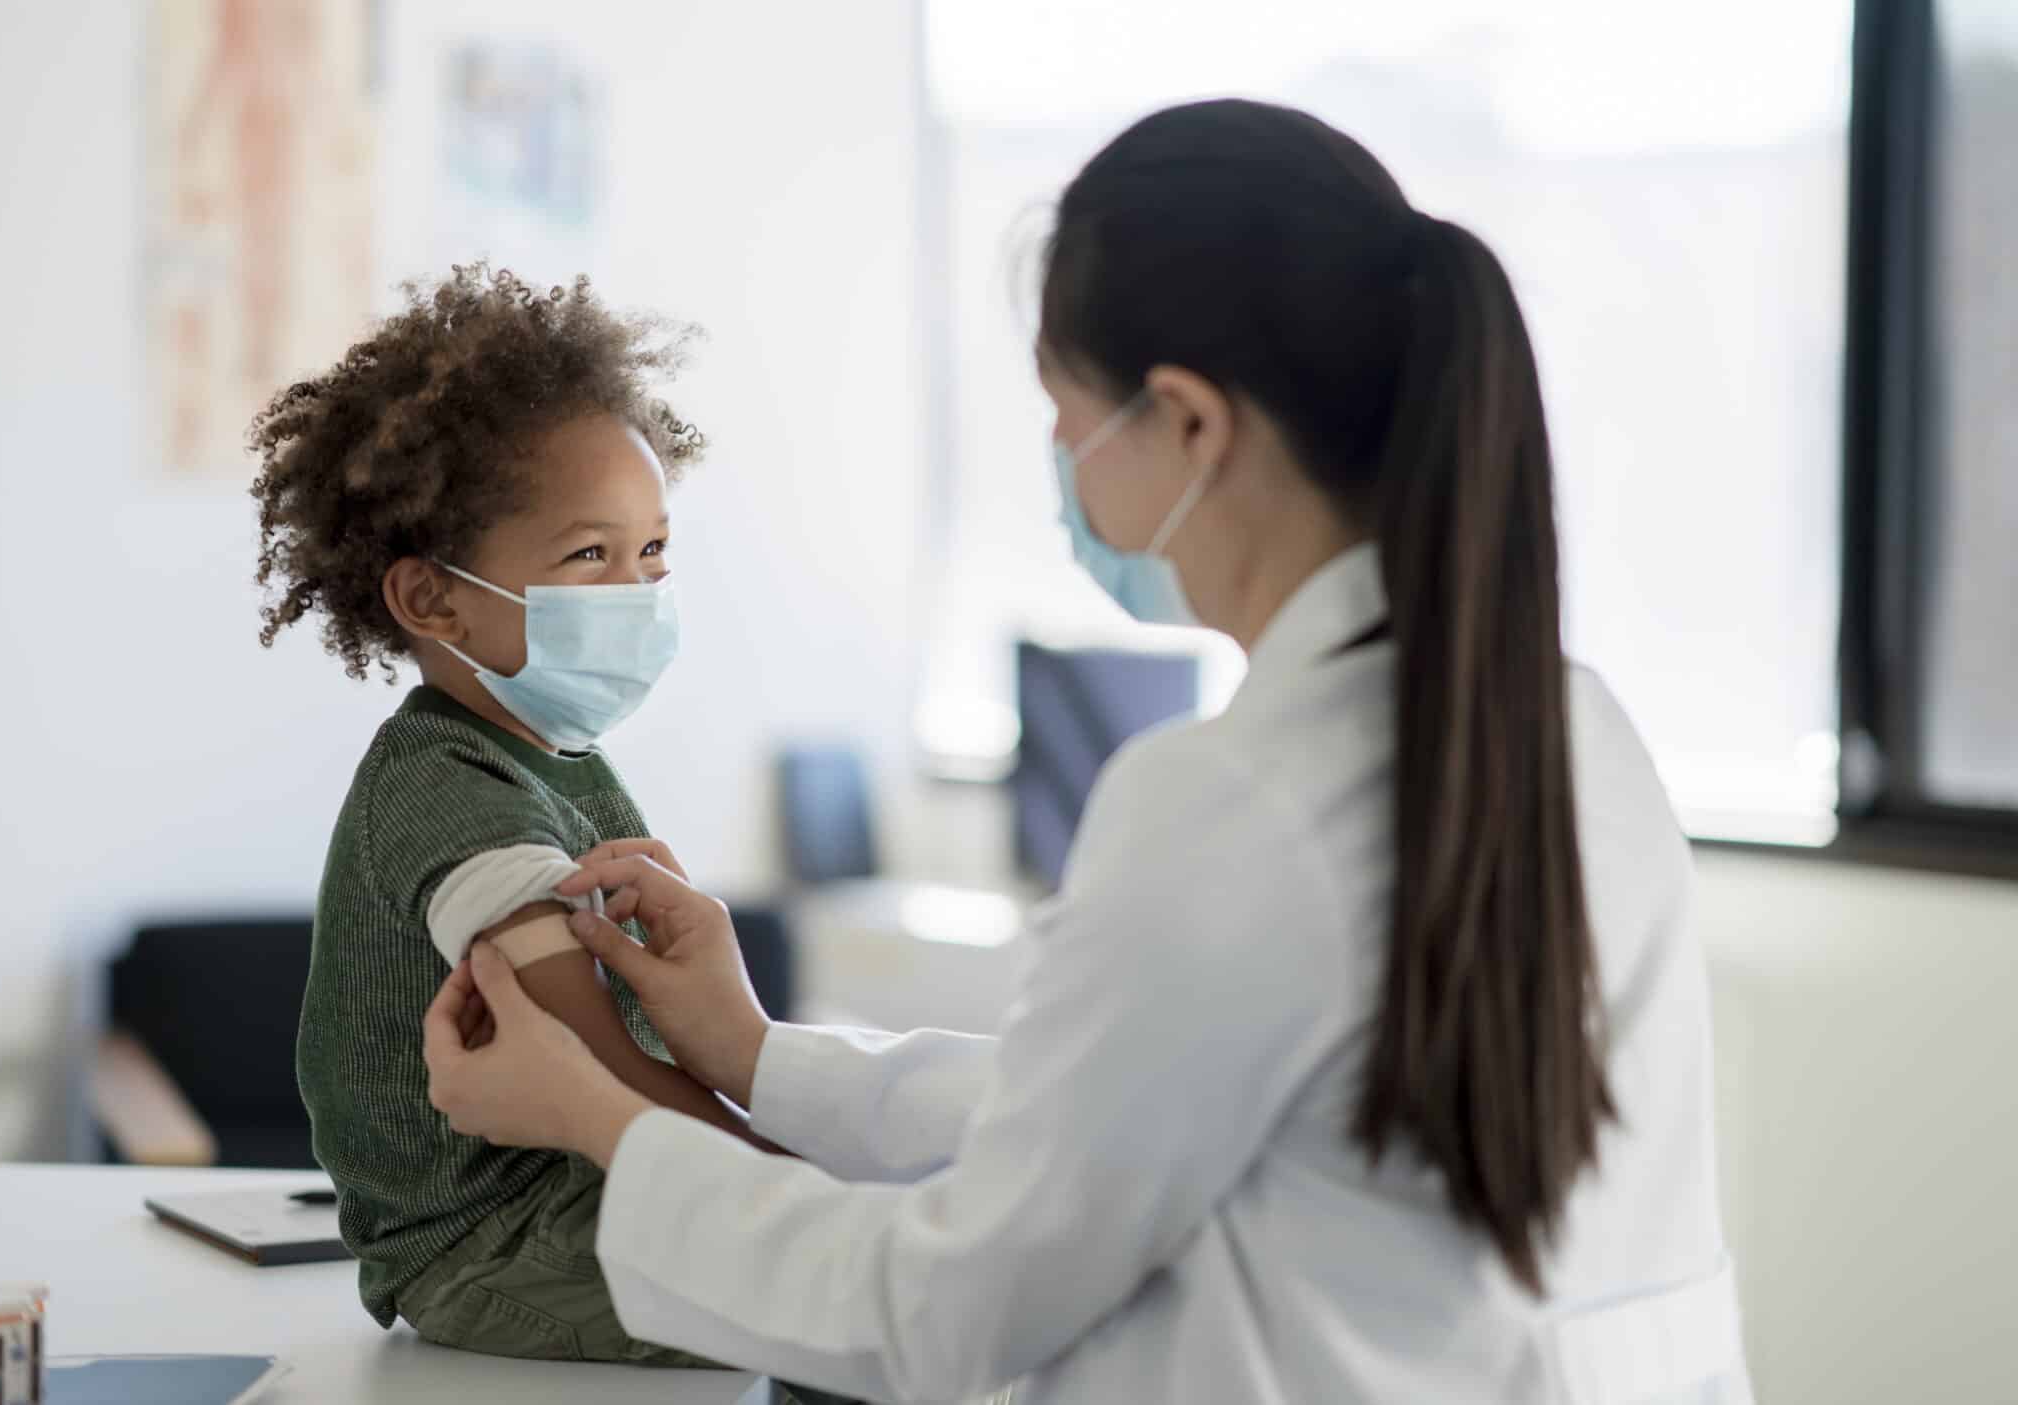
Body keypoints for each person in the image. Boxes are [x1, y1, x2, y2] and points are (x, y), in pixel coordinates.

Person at [423, 101, 1752, 1403]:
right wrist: (756, 1053)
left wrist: (599, 1115)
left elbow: (942, 1308)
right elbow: (1110, 1117)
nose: (1060, 466)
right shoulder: (1579, 732)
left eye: (1064, 415)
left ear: (1187, 421)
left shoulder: (1233, 803)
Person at [254, 263, 772, 1366]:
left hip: (587, 1190)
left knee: (869, 1274)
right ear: (432, 598)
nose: (635, 593)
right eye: (590, 556)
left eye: (653, 552)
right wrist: (779, 1185)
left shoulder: (554, 755)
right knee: (833, 1307)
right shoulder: (447, 791)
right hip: (490, 1244)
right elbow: (591, 1059)